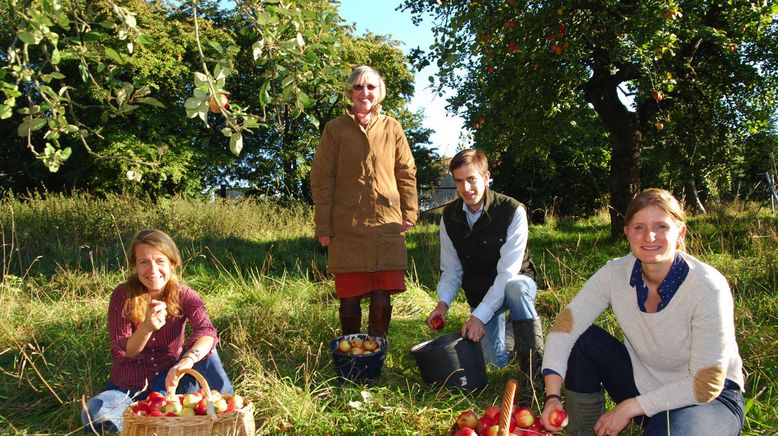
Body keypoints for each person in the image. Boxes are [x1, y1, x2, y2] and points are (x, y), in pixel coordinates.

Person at [540, 189, 745, 436]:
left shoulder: (708, 287)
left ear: (680, 232)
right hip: (644, 384)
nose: (649, 236)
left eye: (661, 226)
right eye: (639, 227)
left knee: (668, 431)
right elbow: (565, 327)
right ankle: (584, 431)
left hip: (709, 400)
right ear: (627, 233)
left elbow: (706, 384)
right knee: (582, 340)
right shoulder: (614, 274)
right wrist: (552, 395)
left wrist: (629, 408)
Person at [81, 229, 233, 433]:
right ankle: (141, 422)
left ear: (173, 263)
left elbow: (206, 331)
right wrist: (146, 328)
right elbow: (124, 351)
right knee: (94, 413)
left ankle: (228, 415)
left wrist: (186, 361)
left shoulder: (185, 295)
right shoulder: (122, 295)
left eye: (160, 261)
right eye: (144, 262)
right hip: (128, 389)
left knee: (207, 352)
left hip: (171, 384)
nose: (153, 270)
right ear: (135, 266)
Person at [310, 65, 419, 339]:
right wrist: (324, 226)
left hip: (386, 224)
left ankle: (377, 352)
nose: (365, 92)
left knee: (382, 297)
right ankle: (350, 355)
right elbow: (322, 178)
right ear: (350, 92)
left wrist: (410, 211)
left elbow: (406, 170)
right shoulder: (334, 129)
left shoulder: (392, 127)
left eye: (371, 86)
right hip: (348, 227)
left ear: (379, 92)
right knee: (349, 298)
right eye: (358, 87)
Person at [425, 149, 542, 378]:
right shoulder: (449, 217)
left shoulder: (512, 211)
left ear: (486, 177)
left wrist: (478, 316)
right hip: (481, 293)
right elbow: (451, 271)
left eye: (471, 179)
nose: (465, 189)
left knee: (516, 288)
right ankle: (515, 329)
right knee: (493, 361)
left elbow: (507, 273)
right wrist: (442, 305)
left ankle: (533, 363)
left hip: (513, 283)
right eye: (459, 181)